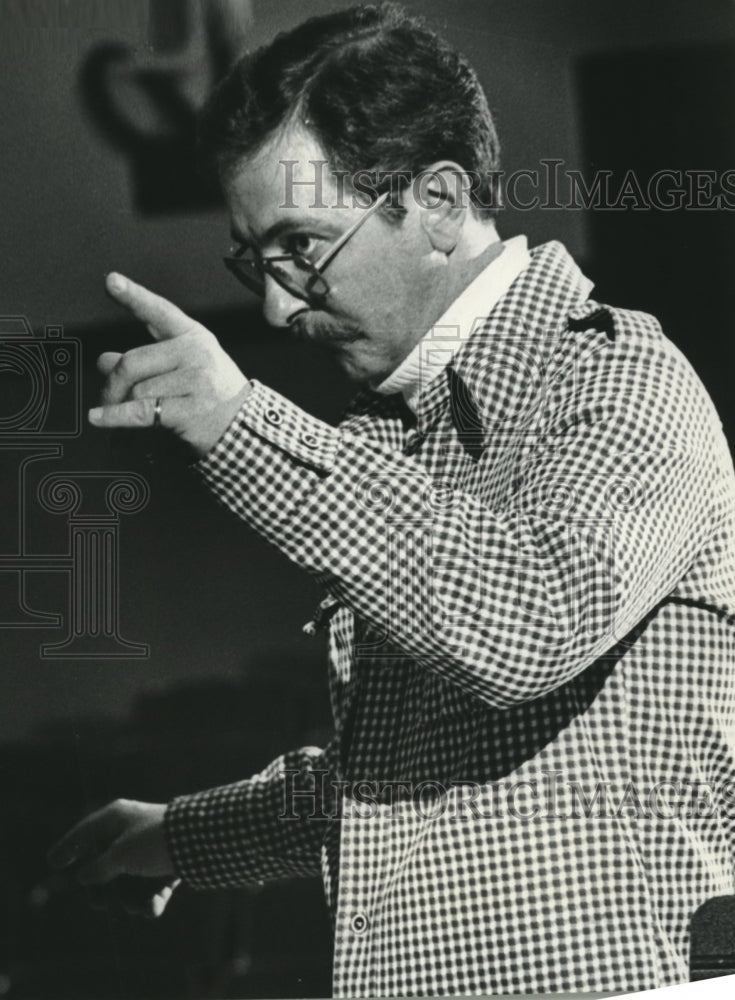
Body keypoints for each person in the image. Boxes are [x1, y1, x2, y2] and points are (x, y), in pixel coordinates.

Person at [48, 3, 735, 995]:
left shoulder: (619, 379)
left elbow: (527, 622)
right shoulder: (407, 435)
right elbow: (419, 789)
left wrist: (244, 423)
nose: (279, 306)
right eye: (257, 260)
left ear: (444, 200)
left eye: (304, 247)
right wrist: (176, 835)